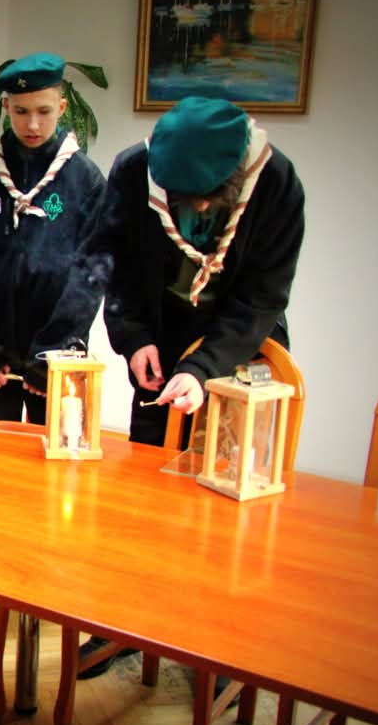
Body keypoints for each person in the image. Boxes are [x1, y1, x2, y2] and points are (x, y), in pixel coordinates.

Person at [77, 95, 306, 680]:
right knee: (146, 493)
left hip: (238, 347)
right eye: (184, 198)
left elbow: (262, 297)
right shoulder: (134, 170)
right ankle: (124, 625)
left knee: (225, 501)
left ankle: (217, 637)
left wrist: (203, 369)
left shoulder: (277, 183)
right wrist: (134, 338)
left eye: (206, 197)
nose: (198, 207)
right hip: (159, 337)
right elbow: (110, 265)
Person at [0, 52, 106, 423]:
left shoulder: (85, 180)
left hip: (55, 355)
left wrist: (53, 354)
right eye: (21, 111)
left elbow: (90, 276)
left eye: (43, 111)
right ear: (6, 107)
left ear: (62, 108)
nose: (32, 124)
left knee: (56, 451)